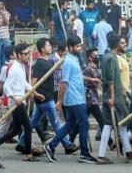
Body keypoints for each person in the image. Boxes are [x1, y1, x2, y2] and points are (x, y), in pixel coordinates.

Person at [15, 38, 78, 155]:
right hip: (44, 98)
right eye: (48, 46)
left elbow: (59, 66)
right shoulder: (39, 63)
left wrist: (65, 55)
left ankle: (22, 142)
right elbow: (33, 81)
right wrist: (33, 95)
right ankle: (67, 144)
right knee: (56, 123)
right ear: (42, 49)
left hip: (45, 97)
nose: (50, 48)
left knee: (33, 122)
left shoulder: (49, 61)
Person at [44, 35, 97, 164]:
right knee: (84, 124)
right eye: (77, 46)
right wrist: (60, 101)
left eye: (80, 45)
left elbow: (77, 77)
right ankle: (84, 154)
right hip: (73, 99)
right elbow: (63, 82)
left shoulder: (75, 59)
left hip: (78, 97)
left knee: (70, 125)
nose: (80, 48)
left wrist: (91, 79)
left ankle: (51, 146)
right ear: (70, 47)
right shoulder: (67, 61)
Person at [96, 33, 132, 164]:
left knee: (122, 124)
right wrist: (112, 97)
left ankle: (128, 151)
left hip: (116, 96)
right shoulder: (110, 58)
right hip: (113, 97)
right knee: (109, 125)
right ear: (118, 44)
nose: (123, 45)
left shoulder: (112, 57)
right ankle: (102, 155)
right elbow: (110, 80)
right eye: (122, 42)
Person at [0, 43, 43, 161]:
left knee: (15, 130)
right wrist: (14, 98)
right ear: (18, 55)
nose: (28, 56)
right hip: (16, 103)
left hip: (20, 101)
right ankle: (28, 154)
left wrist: (35, 93)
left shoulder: (22, 66)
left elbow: (24, 84)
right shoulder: (14, 68)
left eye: (28, 53)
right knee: (28, 127)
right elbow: (6, 87)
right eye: (25, 54)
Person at [83, 48, 105, 141]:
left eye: (97, 55)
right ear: (89, 58)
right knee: (101, 121)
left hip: (93, 97)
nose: (97, 57)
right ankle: (110, 142)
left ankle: (70, 140)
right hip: (90, 98)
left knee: (82, 121)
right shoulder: (89, 69)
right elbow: (98, 80)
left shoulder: (96, 68)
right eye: (94, 56)